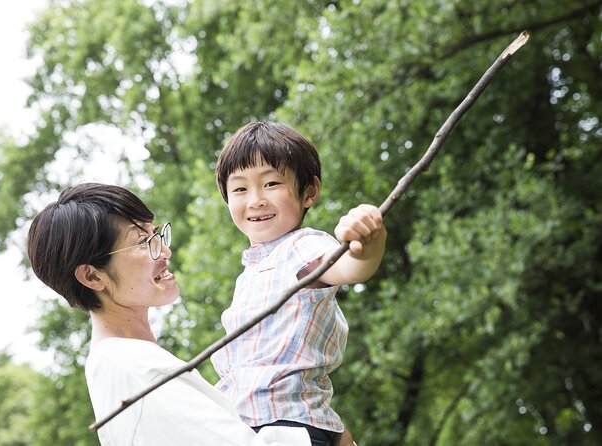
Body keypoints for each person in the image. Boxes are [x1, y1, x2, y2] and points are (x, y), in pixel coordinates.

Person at [27, 182, 360, 446]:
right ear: (92, 276)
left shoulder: (132, 363)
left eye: (157, 233)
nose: (165, 251)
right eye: (143, 242)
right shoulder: (135, 371)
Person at [211, 121, 387, 446]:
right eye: (240, 189)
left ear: (309, 192)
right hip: (247, 428)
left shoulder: (302, 247)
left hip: (288, 425)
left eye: (272, 183)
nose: (256, 199)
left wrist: (368, 246)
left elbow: (346, 267)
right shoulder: (249, 275)